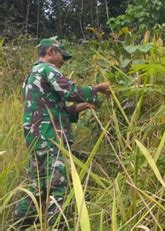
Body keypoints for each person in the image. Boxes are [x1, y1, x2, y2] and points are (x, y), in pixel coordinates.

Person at [15, 37, 111, 227]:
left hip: (37, 136)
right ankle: (57, 225)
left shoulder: (31, 76)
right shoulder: (47, 69)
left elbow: (49, 111)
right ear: (51, 51)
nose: (62, 62)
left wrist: (81, 107)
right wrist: (97, 89)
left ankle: (18, 222)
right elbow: (70, 91)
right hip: (51, 137)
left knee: (39, 185)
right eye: (61, 57)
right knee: (59, 186)